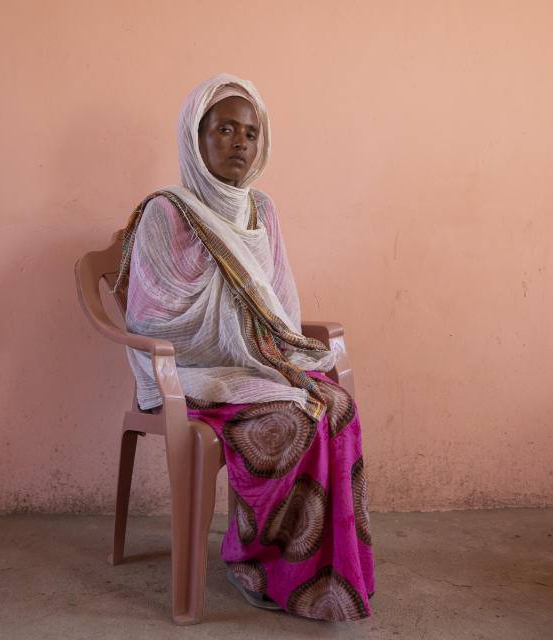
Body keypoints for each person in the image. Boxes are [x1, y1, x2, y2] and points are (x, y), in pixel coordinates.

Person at [115, 74, 374, 621]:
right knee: (287, 420)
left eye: (251, 133)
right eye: (224, 129)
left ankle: (324, 577)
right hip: (191, 373)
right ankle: (254, 564)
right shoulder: (166, 212)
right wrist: (228, 325)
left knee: (336, 406)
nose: (240, 142)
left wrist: (259, 341)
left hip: (255, 362)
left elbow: (278, 303)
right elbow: (151, 316)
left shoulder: (262, 211)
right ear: (195, 137)